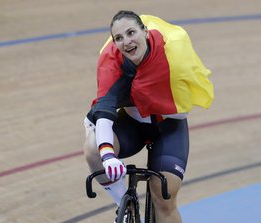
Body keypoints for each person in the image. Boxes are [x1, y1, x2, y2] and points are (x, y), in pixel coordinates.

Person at [83, 10, 214, 223]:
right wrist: (107, 156)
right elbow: (104, 114)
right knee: (93, 148)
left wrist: (146, 90)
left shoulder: (172, 54)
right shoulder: (110, 62)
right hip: (133, 124)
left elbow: (187, 98)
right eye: (119, 38)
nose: (127, 42)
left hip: (168, 127)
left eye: (131, 33)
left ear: (145, 32)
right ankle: (125, 208)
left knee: (164, 199)